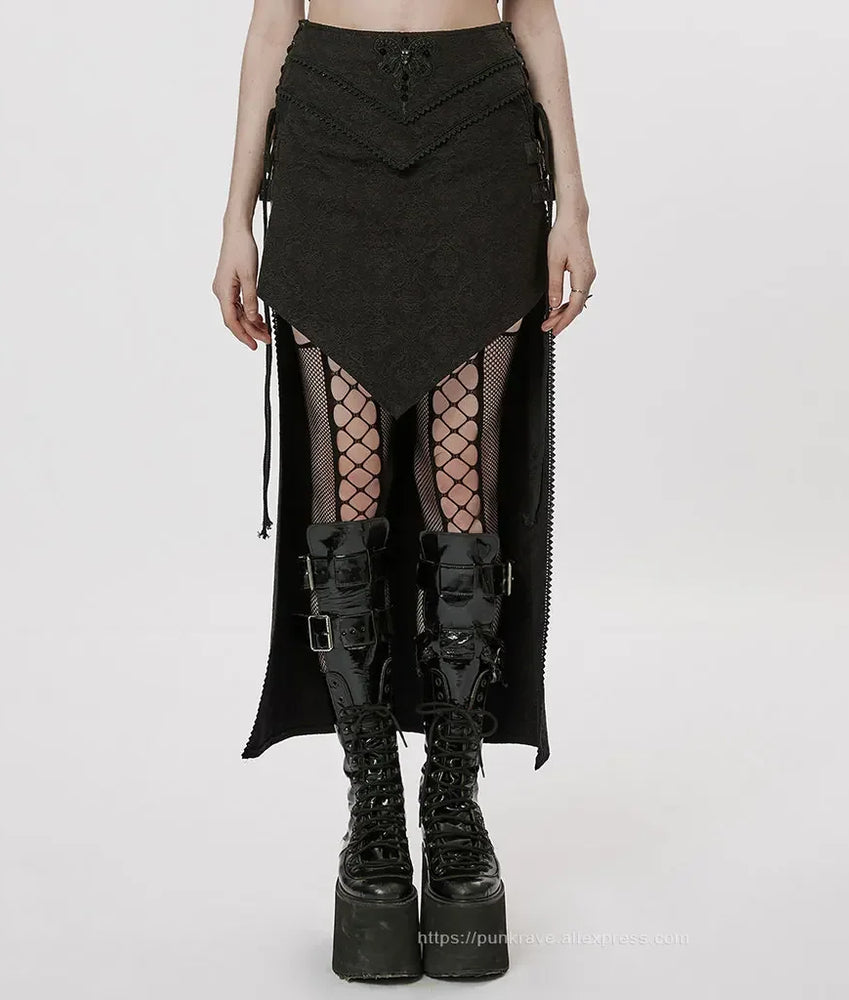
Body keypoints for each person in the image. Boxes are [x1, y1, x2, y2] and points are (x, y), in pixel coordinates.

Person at [212, 0, 595, 982]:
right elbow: (271, 26)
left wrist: (574, 204)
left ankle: (454, 808)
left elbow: (535, 19)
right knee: (346, 503)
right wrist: (235, 219)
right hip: (329, 140)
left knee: (462, 502)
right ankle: (374, 813)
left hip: (480, 144)